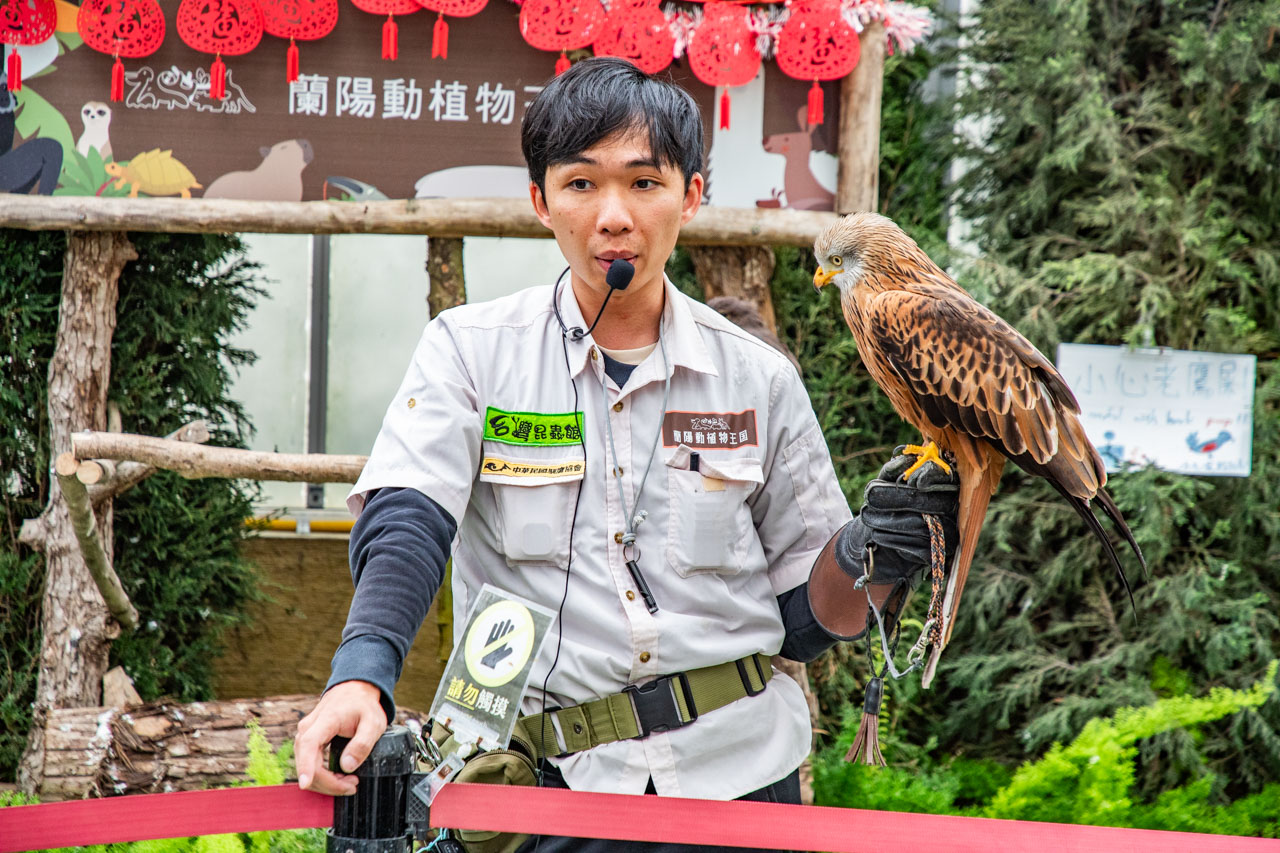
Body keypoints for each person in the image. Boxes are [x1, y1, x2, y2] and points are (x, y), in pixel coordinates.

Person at [295, 57, 958, 851]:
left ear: (693, 196)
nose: (614, 216)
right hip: (543, 786)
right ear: (540, 201)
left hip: (738, 786)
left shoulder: (758, 378)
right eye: (581, 184)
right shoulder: (470, 352)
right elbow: (408, 521)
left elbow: (805, 622)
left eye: (645, 183)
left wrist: (870, 552)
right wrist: (361, 674)